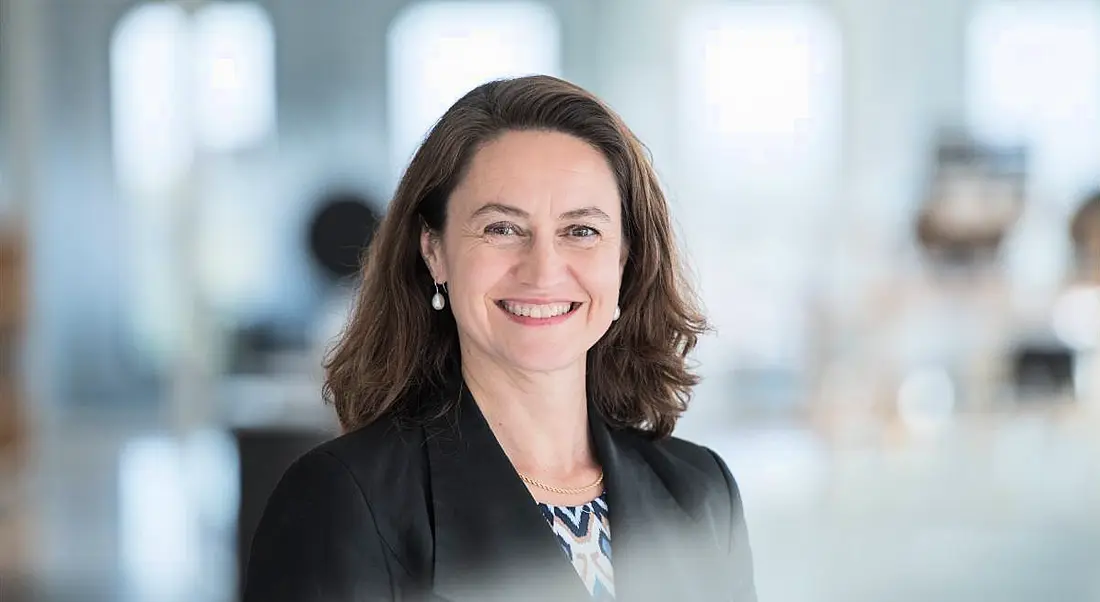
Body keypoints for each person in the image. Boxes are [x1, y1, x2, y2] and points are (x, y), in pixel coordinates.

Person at [242, 75, 756, 602]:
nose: (543, 270)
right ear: (434, 251)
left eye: (581, 231)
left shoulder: (702, 492)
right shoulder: (340, 502)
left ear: (624, 259)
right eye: (502, 228)